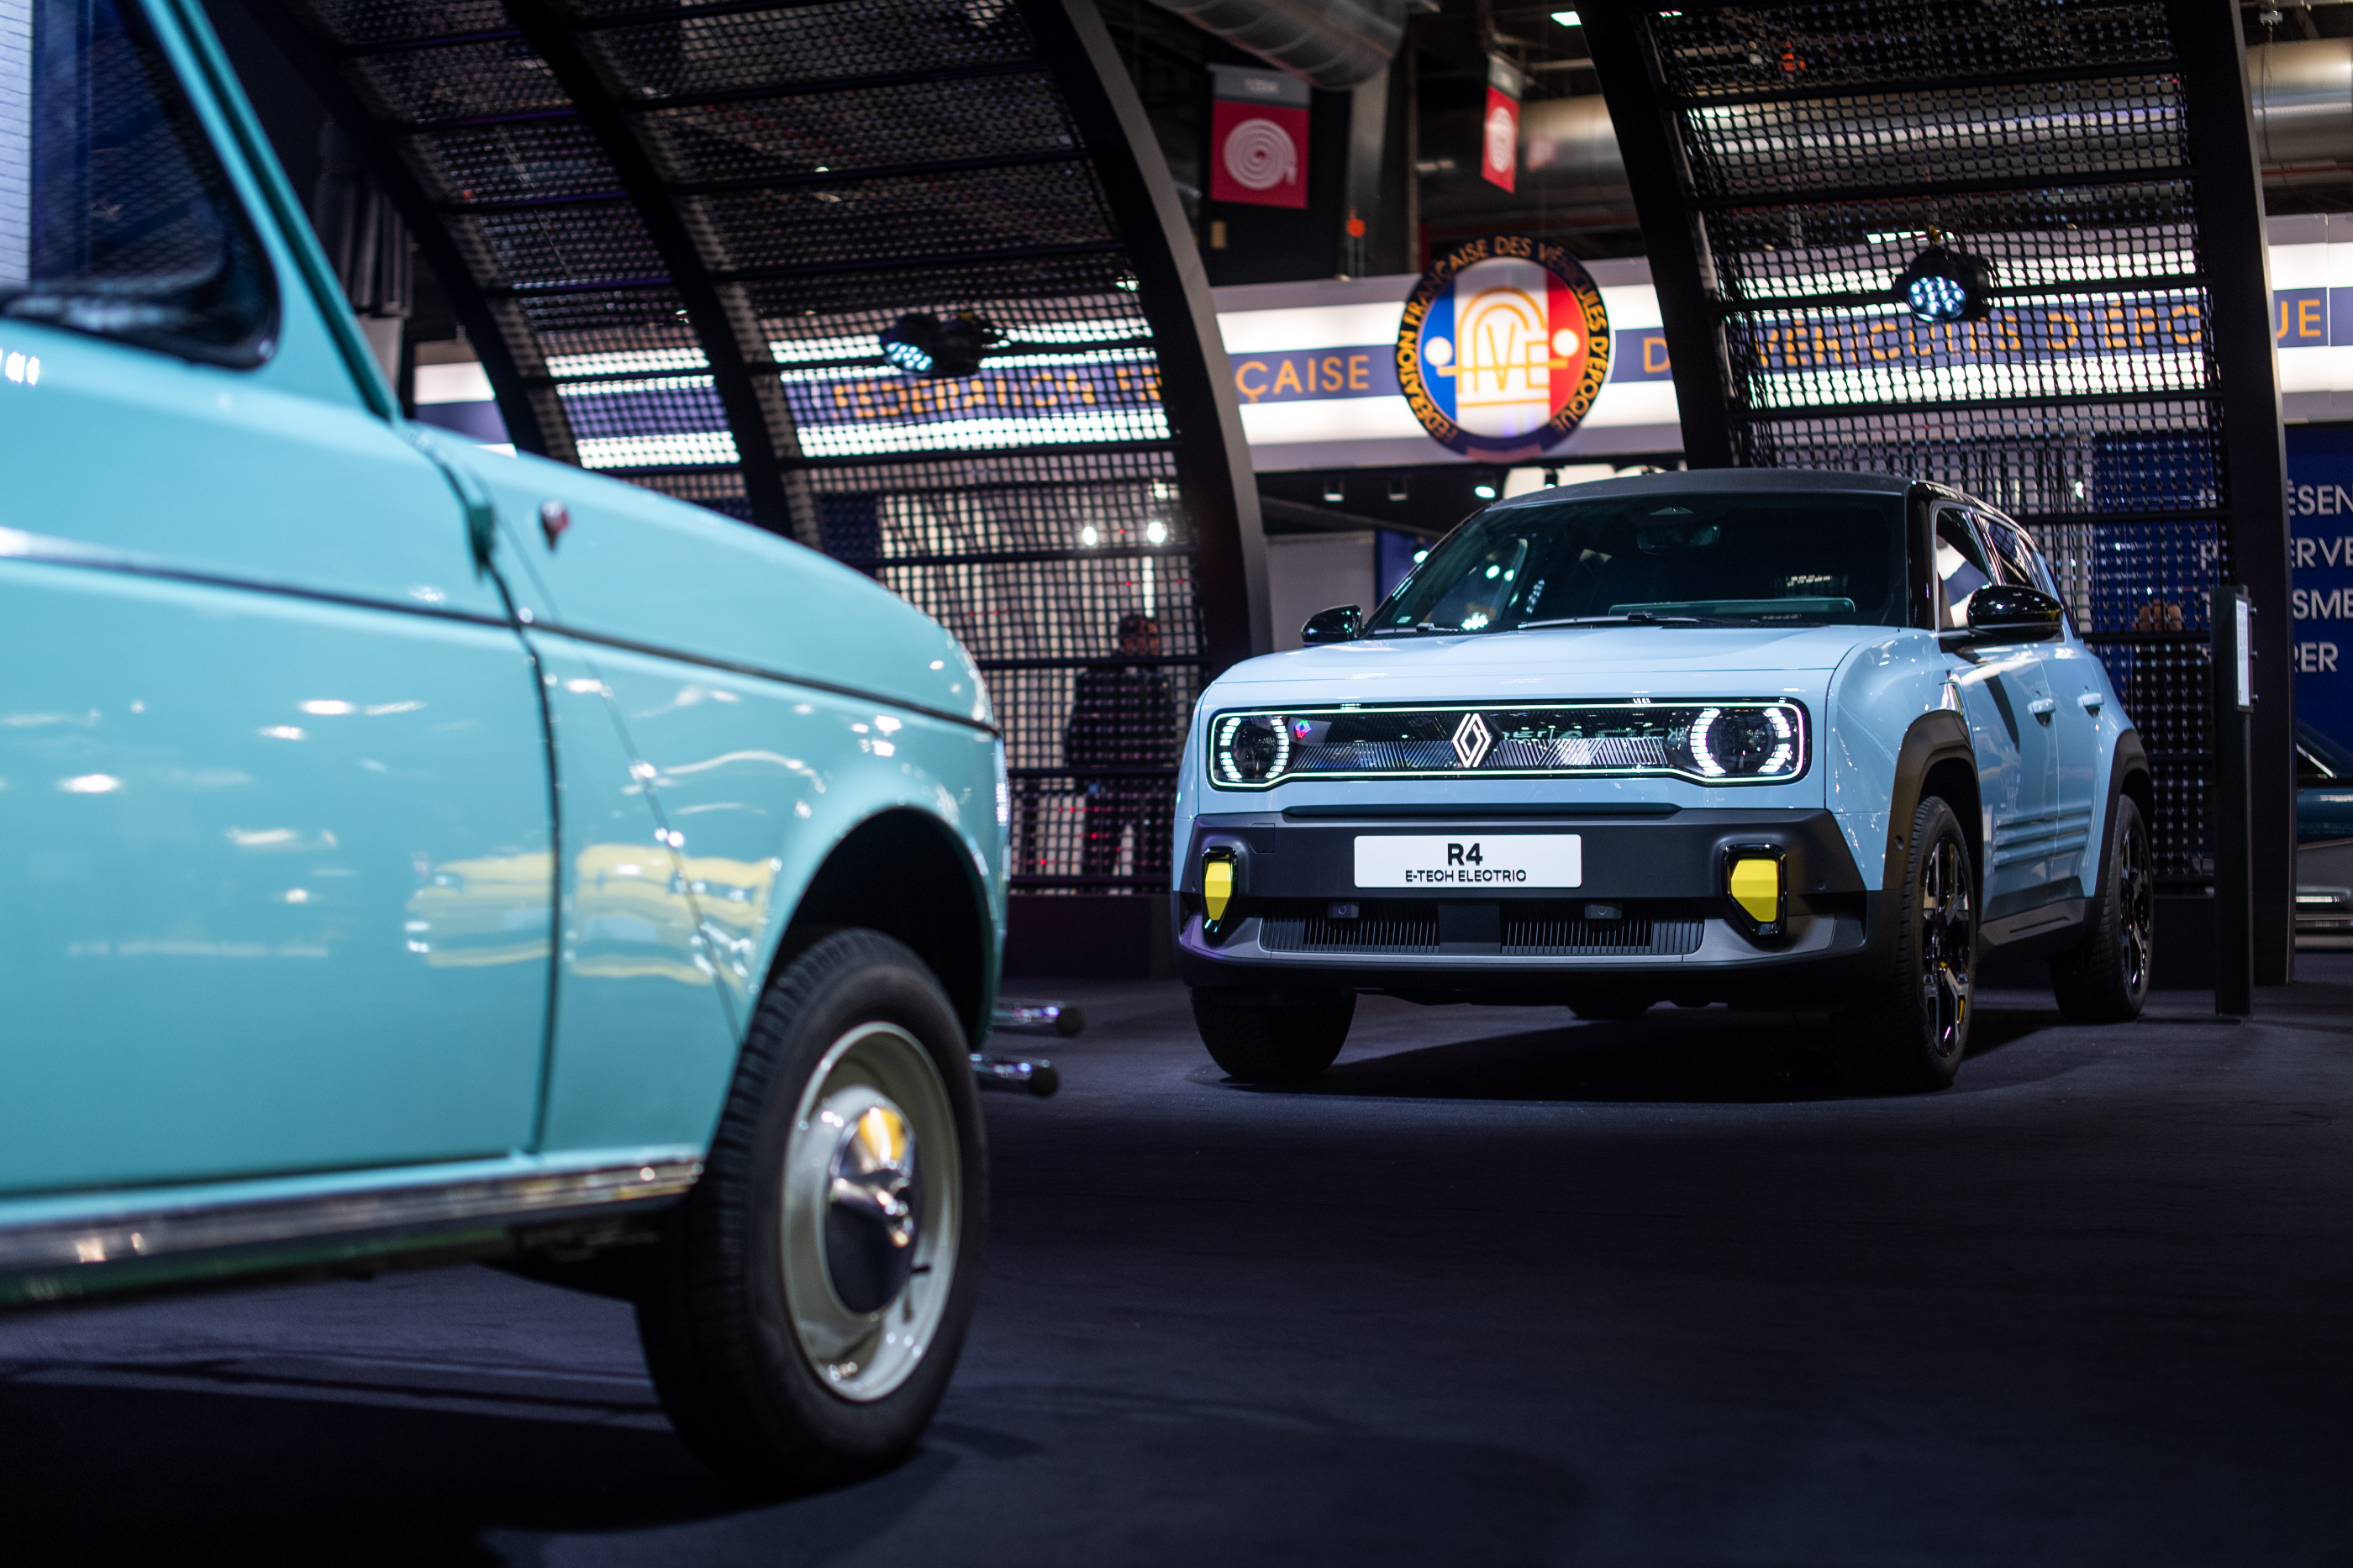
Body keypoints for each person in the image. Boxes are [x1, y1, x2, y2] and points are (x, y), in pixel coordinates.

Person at [1066, 613, 1178, 880]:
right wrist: (1090, 780)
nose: (1157, 644)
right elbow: (1079, 732)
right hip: (1110, 784)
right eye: (1150, 637)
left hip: (1149, 787)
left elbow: (1166, 732)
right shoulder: (1097, 680)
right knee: (1098, 864)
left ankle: (1147, 903)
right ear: (1129, 641)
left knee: (1151, 862)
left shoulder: (1159, 682)